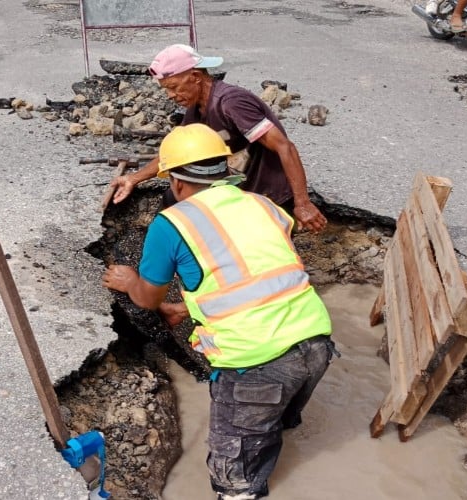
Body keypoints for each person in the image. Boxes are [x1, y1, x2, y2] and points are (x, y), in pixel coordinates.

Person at [102, 123, 336, 500]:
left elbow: (146, 298)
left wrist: (129, 281)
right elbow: (248, 279)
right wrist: (183, 307)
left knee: (234, 477)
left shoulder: (172, 223)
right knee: (279, 420)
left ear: (176, 183)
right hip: (317, 343)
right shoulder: (264, 205)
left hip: (257, 364)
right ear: (226, 172)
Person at [109, 44, 327, 233]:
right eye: (167, 90)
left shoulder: (231, 103)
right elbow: (175, 156)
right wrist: (133, 179)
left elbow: (285, 147)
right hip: (240, 188)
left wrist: (303, 202)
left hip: (269, 194)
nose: (171, 96)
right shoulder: (196, 109)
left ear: (195, 76)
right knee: (172, 199)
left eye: (174, 87)